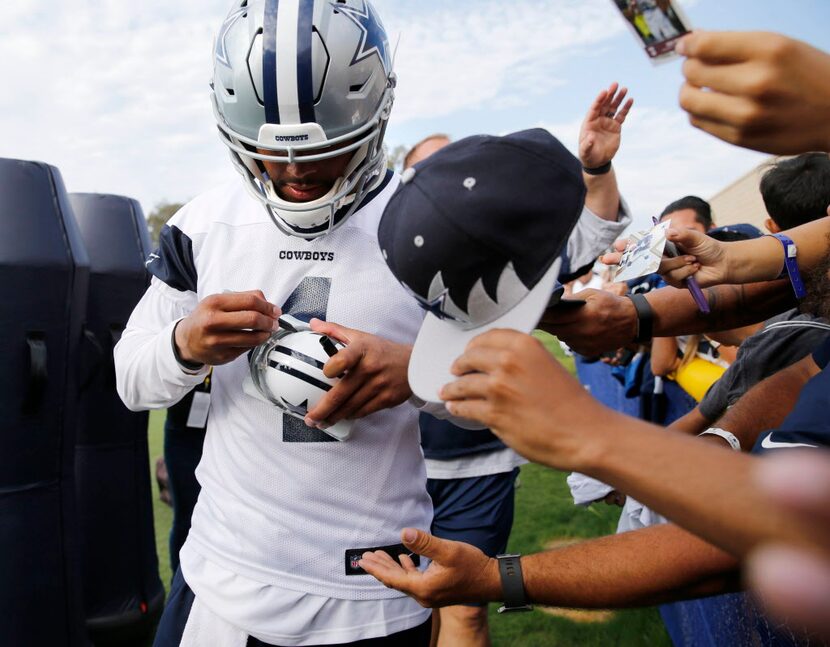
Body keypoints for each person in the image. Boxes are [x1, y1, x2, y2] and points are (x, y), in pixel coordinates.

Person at [116, 2, 441, 644]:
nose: (293, 173)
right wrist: (184, 345)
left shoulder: (434, 225)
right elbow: (130, 382)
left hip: (369, 586)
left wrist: (418, 372)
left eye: (324, 152)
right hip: (226, 575)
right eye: (270, 152)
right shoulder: (203, 225)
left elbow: (498, 407)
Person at [405, 83, 634, 647]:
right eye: (427, 172)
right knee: (397, 611)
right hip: (392, 462)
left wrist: (596, 168)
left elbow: (583, 237)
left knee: (464, 606)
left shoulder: (499, 246)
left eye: (454, 168)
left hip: (479, 460)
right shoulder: (381, 249)